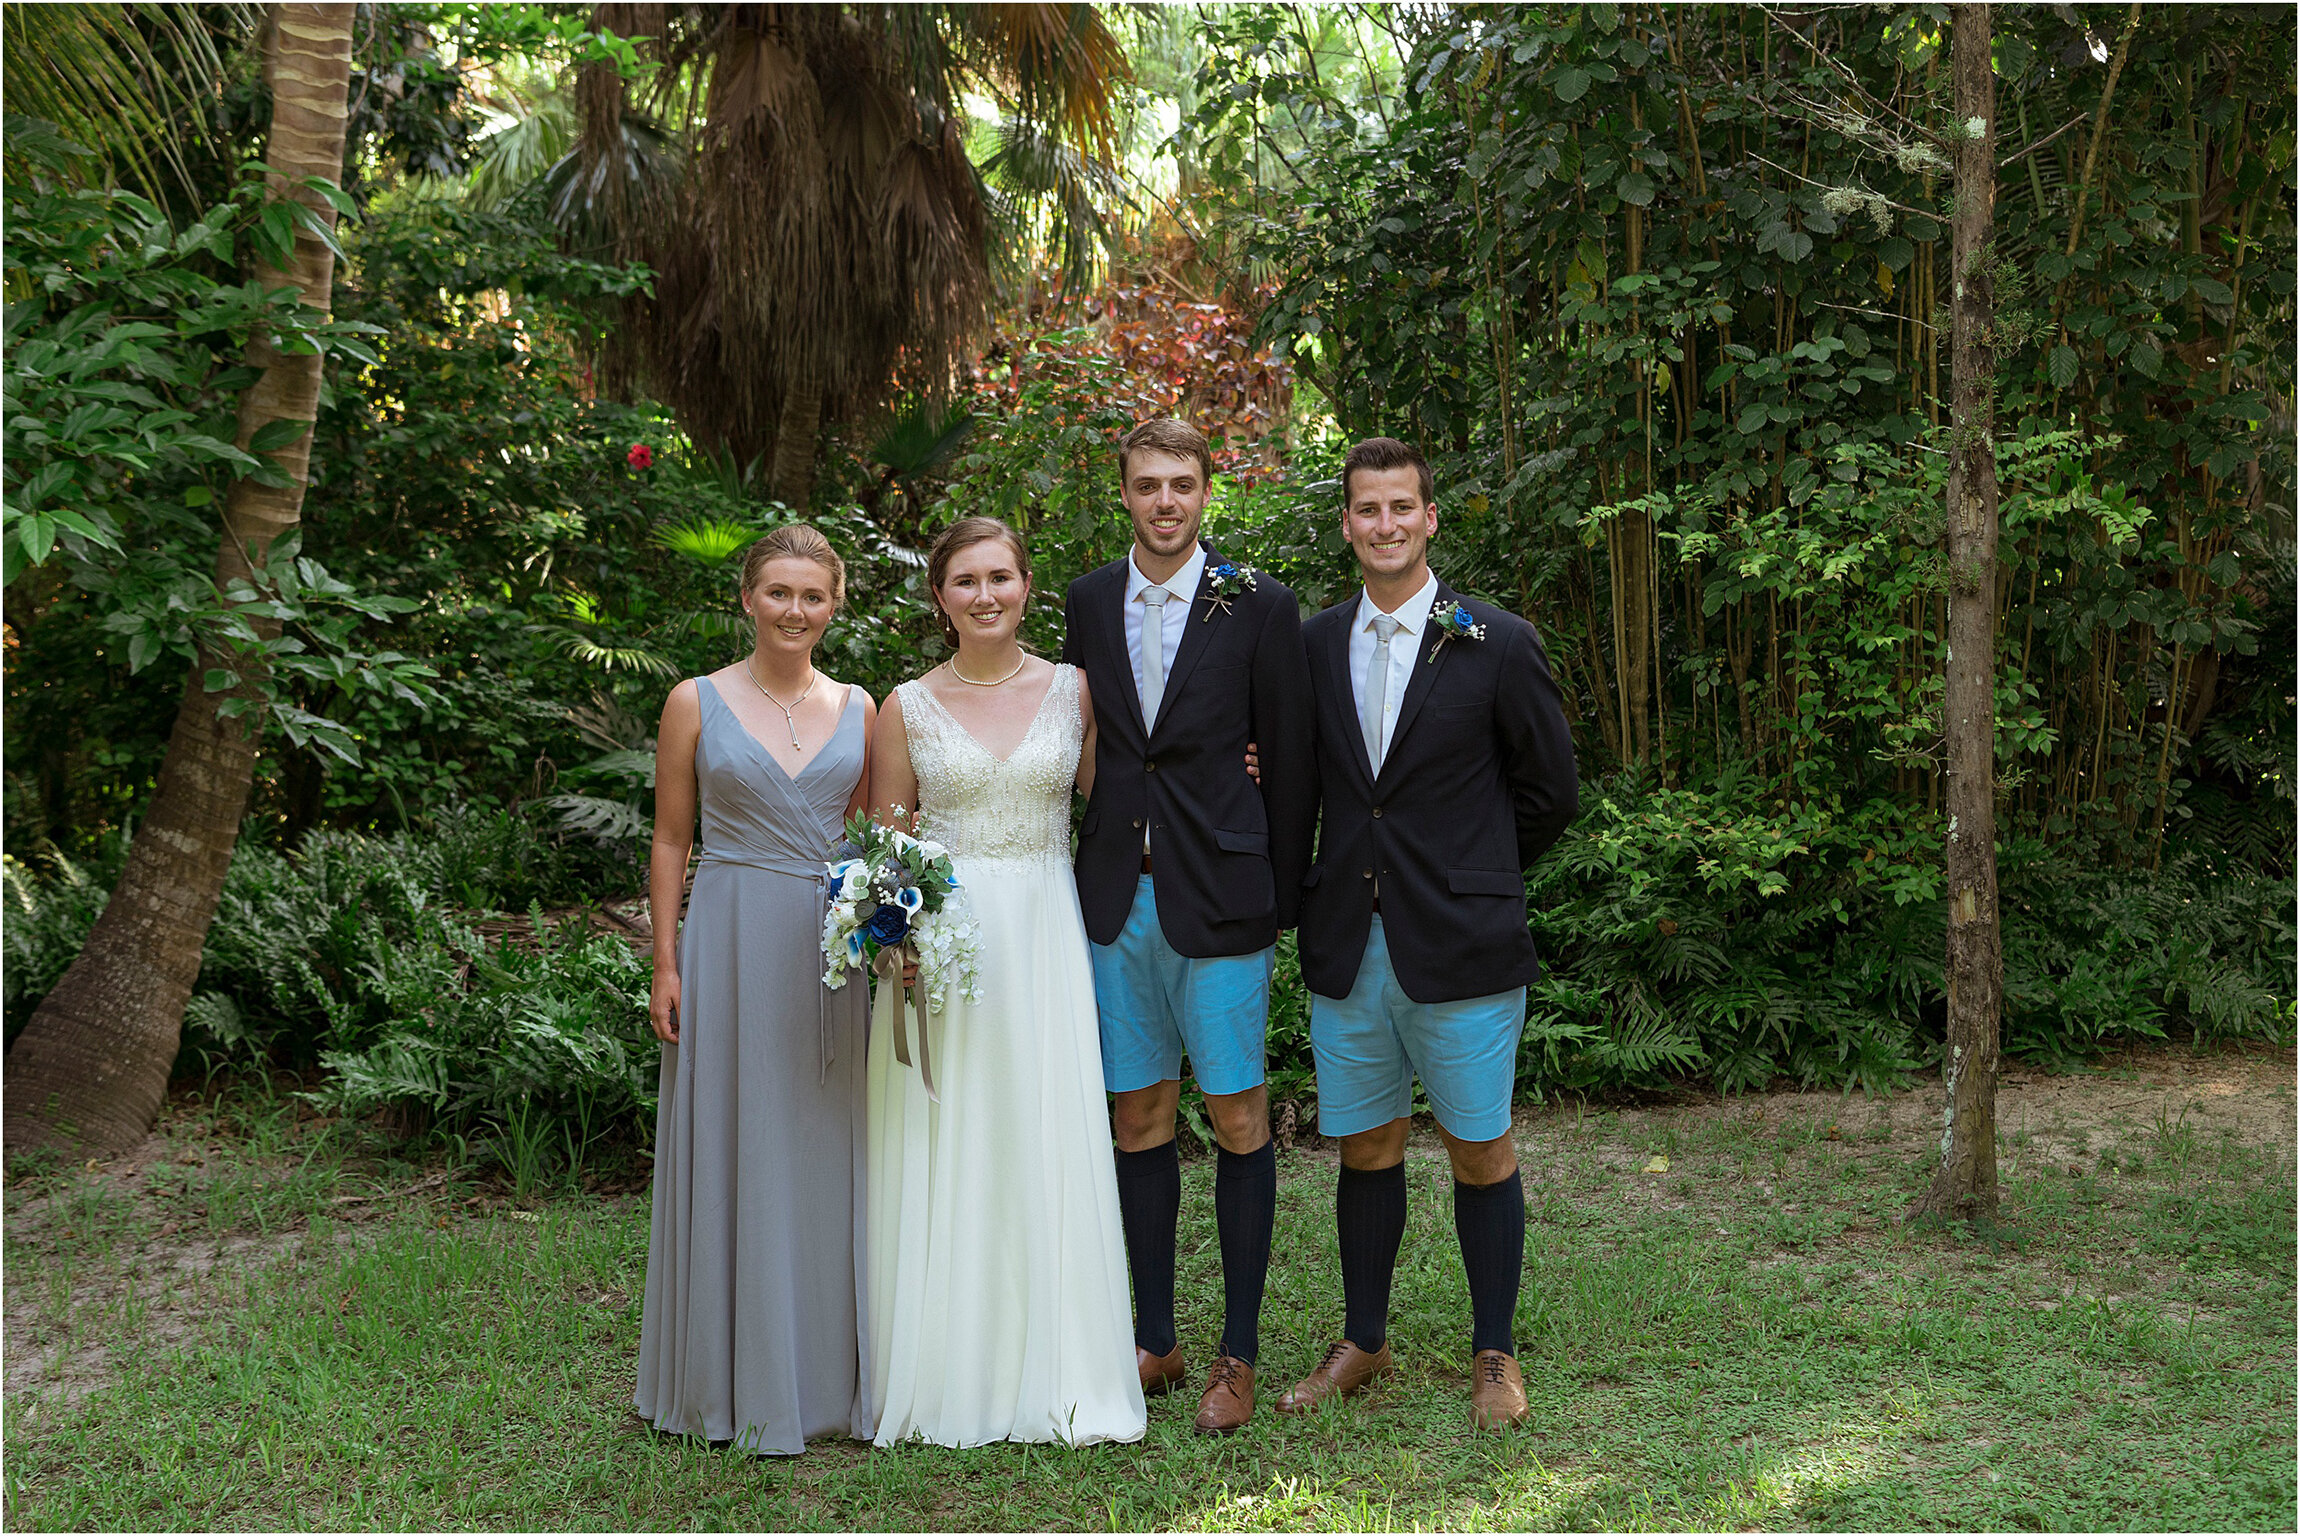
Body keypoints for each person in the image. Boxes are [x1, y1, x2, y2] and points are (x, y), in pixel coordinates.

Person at [1282, 437, 1578, 1430]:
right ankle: (1363, 1339)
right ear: (1345, 524)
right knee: (1364, 1146)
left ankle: (1492, 1353)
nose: (1384, 525)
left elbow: (1548, 792)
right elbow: (1300, 780)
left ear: (1429, 518)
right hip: (1346, 941)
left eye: (1400, 507)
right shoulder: (1314, 645)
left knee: (1477, 1147)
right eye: (1366, 509)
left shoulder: (1493, 641)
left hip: (1461, 943)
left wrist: (1474, 875)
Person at [863, 516, 1145, 1448]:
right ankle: (948, 1370)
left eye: (1001, 578)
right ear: (939, 598)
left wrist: (1242, 766)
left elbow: (1126, 797)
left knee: (1044, 1132)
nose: (985, 596)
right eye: (964, 582)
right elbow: (886, 841)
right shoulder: (903, 705)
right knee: (953, 1138)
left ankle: (1061, 1366)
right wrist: (893, 936)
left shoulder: (1075, 691)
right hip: (944, 948)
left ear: (1029, 585)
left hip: (1045, 936)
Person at [1062, 418, 1317, 1434]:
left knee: (1239, 1117)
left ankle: (1237, 1355)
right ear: (1121, 493)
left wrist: (1281, 895)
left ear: (1207, 493)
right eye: (1145, 485)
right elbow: (1084, 744)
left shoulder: (1258, 605)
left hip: (1221, 897)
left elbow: (1290, 760)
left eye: (1180, 485)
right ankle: (1156, 1339)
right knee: (1137, 1119)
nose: (1163, 502)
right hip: (1115, 895)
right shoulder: (1086, 601)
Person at [635, 524, 878, 1454]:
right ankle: (727, 1378)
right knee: (737, 1137)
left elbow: (873, 839)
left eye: (812, 595)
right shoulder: (693, 702)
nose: (794, 610)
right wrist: (666, 960)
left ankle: (827, 1379)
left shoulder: (862, 708)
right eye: (778, 591)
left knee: (829, 1147)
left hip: (829, 950)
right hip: (729, 936)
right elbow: (669, 840)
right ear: (747, 598)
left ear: (835, 604)